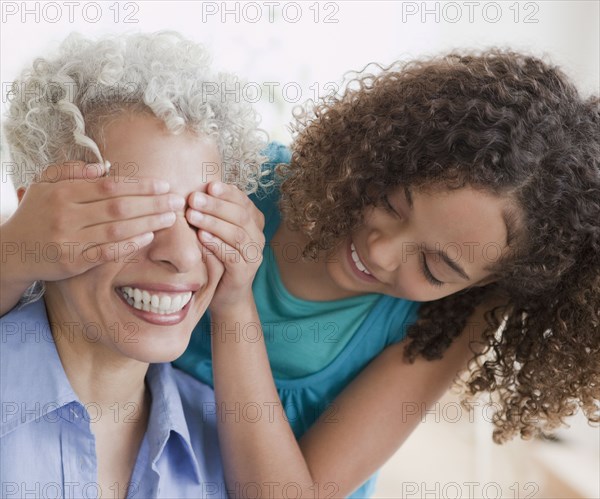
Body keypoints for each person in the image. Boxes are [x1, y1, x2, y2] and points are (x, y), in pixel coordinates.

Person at [2, 47, 599, 498]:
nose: (383, 251)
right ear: (385, 152)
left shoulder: (444, 322)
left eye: (436, 266)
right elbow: (52, 250)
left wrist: (235, 304)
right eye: (392, 204)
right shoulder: (245, 177)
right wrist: (16, 248)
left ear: (480, 285)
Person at [0, 32, 266, 498]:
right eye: (134, 212)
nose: (182, 254)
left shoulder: (231, 441)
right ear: (38, 222)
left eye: (202, 216)